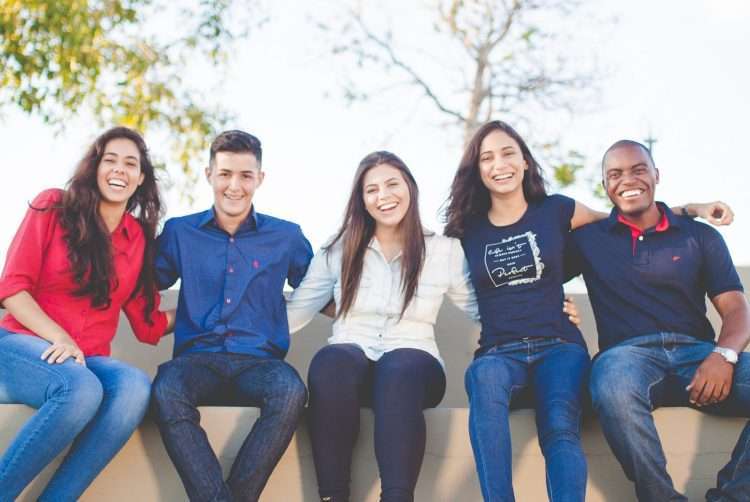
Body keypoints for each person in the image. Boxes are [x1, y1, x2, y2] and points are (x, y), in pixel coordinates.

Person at [442, 120, 729, 502]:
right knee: (483, 380)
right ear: (478, 170)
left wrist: (690, 209)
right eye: (488, 157)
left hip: (559, 347)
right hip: (499, 350)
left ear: (525, 161)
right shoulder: (467, 230)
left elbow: (626, 218)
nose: (500, 164)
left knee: (560, 426)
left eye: (509, 153)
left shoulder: (558, 210)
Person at [286, 151, 582, 502]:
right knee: (331, 360)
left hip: (415, 366)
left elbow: (485, 307)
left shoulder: (443, 251)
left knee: (399, 367)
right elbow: (298, 309)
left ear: (410, 188)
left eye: (393, 184)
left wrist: (547, 307)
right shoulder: (337, 251)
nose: (384, 196)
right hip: (351, 366)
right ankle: (333, 497)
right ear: (361, 200)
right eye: (372, 190)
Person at [566, 139, 749, 502]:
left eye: (638, 170)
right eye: (614, 174)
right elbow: (534, 273)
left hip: (698, 358)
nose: (627, 180)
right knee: (612, 386)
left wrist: (723, 356)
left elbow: (737, 309)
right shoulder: (587, 240)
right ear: (605, 186)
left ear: (656, 175)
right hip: (627, 359)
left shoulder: (700, 236)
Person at [0, 127, 173, 500]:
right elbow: (12, 288)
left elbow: (148, 325)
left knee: (134, 388)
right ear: (95, 168)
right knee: (79, 389)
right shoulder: (53, 206)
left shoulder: (139, 238)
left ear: (141, 178)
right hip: (20, 344)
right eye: (110, 160)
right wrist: (58, 336)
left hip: (86, 358)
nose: (119, 170)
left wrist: (208, 309)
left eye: (131, 164)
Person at [150, 130, 313, 502]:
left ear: (260, 178)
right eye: (224, 174)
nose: (234, 186)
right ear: (209, 175)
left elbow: (324, 292)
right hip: (196, 360)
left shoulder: (286, 236)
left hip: (260, 364)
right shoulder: (180, 232)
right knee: (165, 389)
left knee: (290, 391)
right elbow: (140, 285)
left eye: (245, 175)